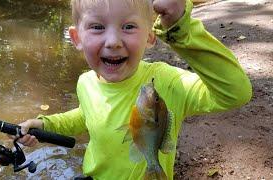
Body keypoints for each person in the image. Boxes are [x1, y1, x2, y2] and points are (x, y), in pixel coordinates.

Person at [14, 0, 252, 179]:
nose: (113, 41)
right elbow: (86, 116)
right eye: (97, 27)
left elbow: (236, 93)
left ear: (150, 36)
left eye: (128, 26)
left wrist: (181, 28)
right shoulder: (85, 82)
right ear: (77, 38)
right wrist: (46, 125)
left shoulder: (167, 81)